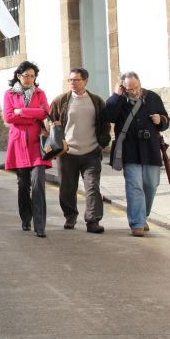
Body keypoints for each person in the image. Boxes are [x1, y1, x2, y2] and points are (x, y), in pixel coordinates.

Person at [102, 71, 169, 237]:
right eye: (129, 89)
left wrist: (160, 120)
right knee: (134, 186)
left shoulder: (152, 97)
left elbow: (166, 120)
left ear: (140, 83)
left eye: (136, 87)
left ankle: (142, 215)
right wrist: (117, 95)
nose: (134, 91)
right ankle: (137, 223)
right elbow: (108, 116)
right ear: (123, 87)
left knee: (151, 185)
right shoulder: (119, 101)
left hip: (151, 149)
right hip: (130, 150)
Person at [49, 67, 111, 233]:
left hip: (91, 152)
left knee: (92, 187)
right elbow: (51, 123)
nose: (73, 83)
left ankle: (92, 221)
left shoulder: (97, 101)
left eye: (76, 80)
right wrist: (57, 146)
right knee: (67, 188)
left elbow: (105, 126)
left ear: (85, 81)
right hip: (67, 153)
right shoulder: (60, 101)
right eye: (70, 80)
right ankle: (70, 216)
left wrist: (101, 144)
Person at [3, 61, 51, 238]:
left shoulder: (41, 93)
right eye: (26, 76)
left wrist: (21, 112)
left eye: (33, 76)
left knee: (38, 184)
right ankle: (26, 218)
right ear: (18, 76)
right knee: (23, 185)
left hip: (38, 146)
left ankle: (40, 226)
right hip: (19, 145)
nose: (30, 79)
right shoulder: (9, 94)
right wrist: (32, 113)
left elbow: (45, 112)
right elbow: (8, 117)